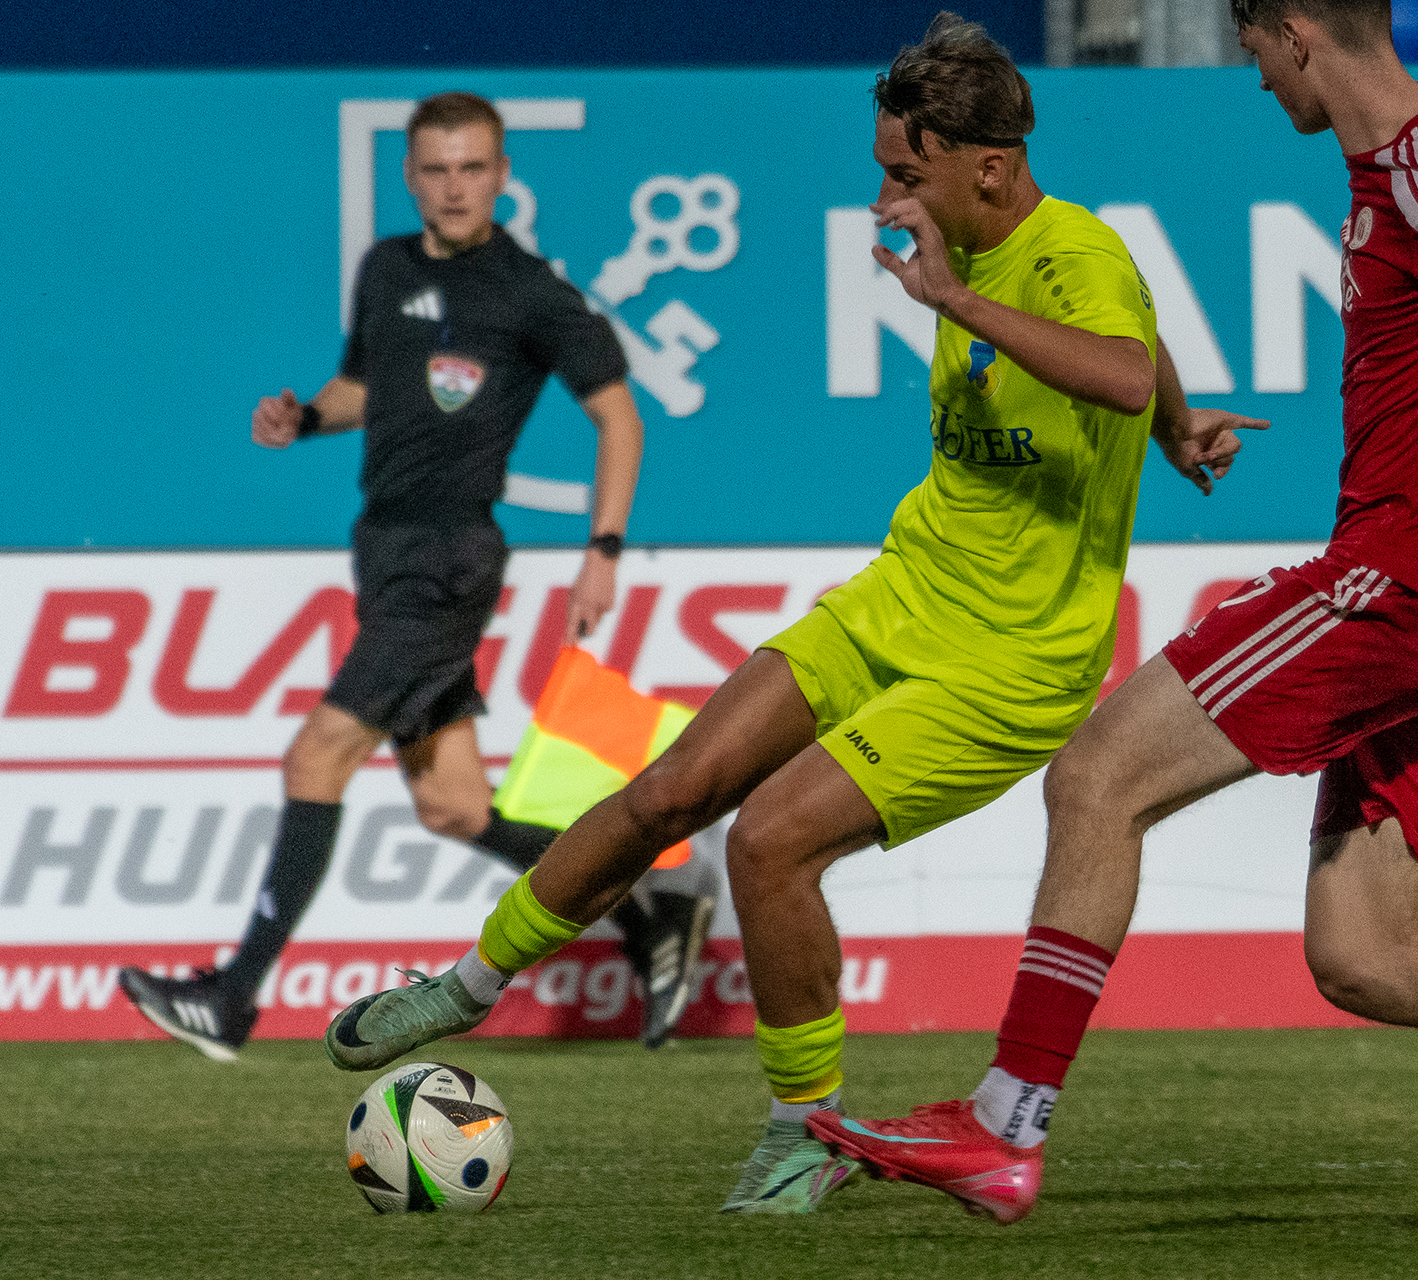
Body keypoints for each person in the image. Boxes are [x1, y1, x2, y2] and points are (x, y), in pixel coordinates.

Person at [810, 0, 1418, 1244]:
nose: (1259, 81)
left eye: (1257, 50)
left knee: (1097, 777)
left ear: (1297, 28)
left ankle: (1006, 1123)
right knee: (1365, 952)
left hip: (1398, 584)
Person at [321, 13, 1267, 1217]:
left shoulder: (1065, 254)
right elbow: (1147, 360)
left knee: (770, 841)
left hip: (1013, 662)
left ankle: (800, 1133)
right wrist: (1181, 427)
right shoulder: (980, 243)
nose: (884, 197)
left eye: (905, 173)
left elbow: (1121, 365)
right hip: (904, 592)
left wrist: (982, 314)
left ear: (989, 168)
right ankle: (464, 984)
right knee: (673, 789)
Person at [119, 91, 710, 1060]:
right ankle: (651, 900)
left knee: (316, 757)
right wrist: (307, 418)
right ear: (409, 176)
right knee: (454, 807)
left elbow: (620, 415)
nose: (454, 187)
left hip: (447, 560)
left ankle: (230, 999)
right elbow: (368, 385)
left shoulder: (530, 292)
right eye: (436, 169)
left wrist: (602, 551)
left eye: (473, 168)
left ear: (504, 174)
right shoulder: (386, 268)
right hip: (385, 552)